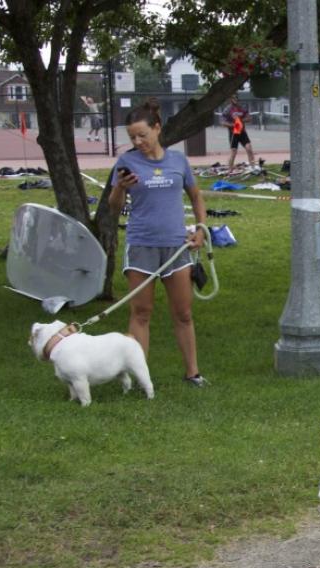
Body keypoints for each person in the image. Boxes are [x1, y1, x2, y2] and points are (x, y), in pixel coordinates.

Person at [108, 98, 209, 386]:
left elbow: (196, 196)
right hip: (141, 246)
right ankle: (140, 378)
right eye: (132, 137)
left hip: (176, 247)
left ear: (157, 128)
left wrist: (201, 229)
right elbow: (114, 207)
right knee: (141, 313)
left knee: (184, 313)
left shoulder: (178, 160)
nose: (138, 141)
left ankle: (193, 373)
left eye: (142, 135)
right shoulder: (126, 163)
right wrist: (119, 188)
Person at [221, 95, 258, 170]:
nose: (235, 100)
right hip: (233, 133)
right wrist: (233, 125)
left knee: (249, 148)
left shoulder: (242, 108)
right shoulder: (227, 109)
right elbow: (223, 122)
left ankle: (253, 167)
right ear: (230, 99)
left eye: (236, 98)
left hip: (242, 132)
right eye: (233, 98)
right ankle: (230, 169)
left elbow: (249, 118)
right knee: (233, 152)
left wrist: (241, 121)